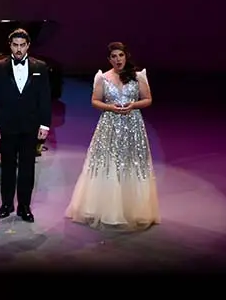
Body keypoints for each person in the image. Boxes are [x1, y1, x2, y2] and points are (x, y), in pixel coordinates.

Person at [65, 42, 160, 229]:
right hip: (109, 125)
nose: (118, 60)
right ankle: (106, 209)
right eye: (114, 57)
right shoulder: (103, 78)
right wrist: (110, 107)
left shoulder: (137, 76)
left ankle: (133, 209)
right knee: (108, 162)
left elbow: (148, 99)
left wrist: (133, 105)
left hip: (132, 126)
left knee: (131, 162)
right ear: (109, 60)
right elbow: (94, 101)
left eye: (121, 55)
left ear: (126, 56)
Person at [0, 28, 52, 223]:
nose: (18, 49)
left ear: (28, 46)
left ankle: (24, 206)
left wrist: (45, 124)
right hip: (7, 126)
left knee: (27, 168)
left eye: (22, 45)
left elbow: (45, 98)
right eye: (15, 45)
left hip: (30, 126)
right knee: (7, 167)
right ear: (10, 45)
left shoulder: (40, 67)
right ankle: (7, 204)